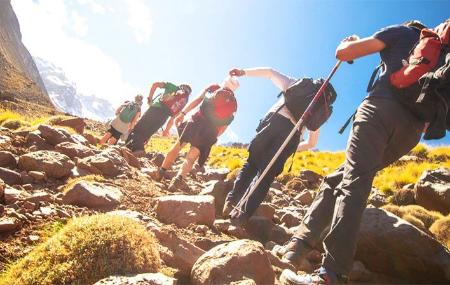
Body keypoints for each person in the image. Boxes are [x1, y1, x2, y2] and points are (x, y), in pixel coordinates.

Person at [279, 21, 428, 285]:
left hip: (380, 110)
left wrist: (346, 42)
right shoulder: (438, 57)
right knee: (340, 177)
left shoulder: (402, 32)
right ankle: (298, 245)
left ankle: (333, 273)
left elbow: (344, 53)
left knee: (354, 184)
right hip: (410, 133)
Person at [222, 67, 322, 225]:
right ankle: (241, 217)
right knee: (265, 176)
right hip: (292, 136)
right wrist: (289, 148)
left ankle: (231, 202)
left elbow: (269, 72)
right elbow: (312, 143)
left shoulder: (296, 84)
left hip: (273, 122)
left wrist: (243, 72)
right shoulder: (317, 109)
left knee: (252, 164)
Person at [152, 77, 239, 191]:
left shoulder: (214, 88)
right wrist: (213, 137)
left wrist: (183, 113)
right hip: (210, 132)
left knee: (178, 146)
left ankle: (161, 171)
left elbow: (198, 100)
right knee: (191, 158)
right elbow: (224, 127)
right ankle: (178, 179)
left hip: (197, 120)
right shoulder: (234, 105)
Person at [125, 81, 192, 153]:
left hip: (155, 109)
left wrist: (150, 98)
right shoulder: (184, 101)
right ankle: (137, 153)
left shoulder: (172, 87)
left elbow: (155, 84)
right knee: (146, 135)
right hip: (163, 117)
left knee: (137, 130)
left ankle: (127, 150)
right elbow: (173, 118)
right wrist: (166, 130)